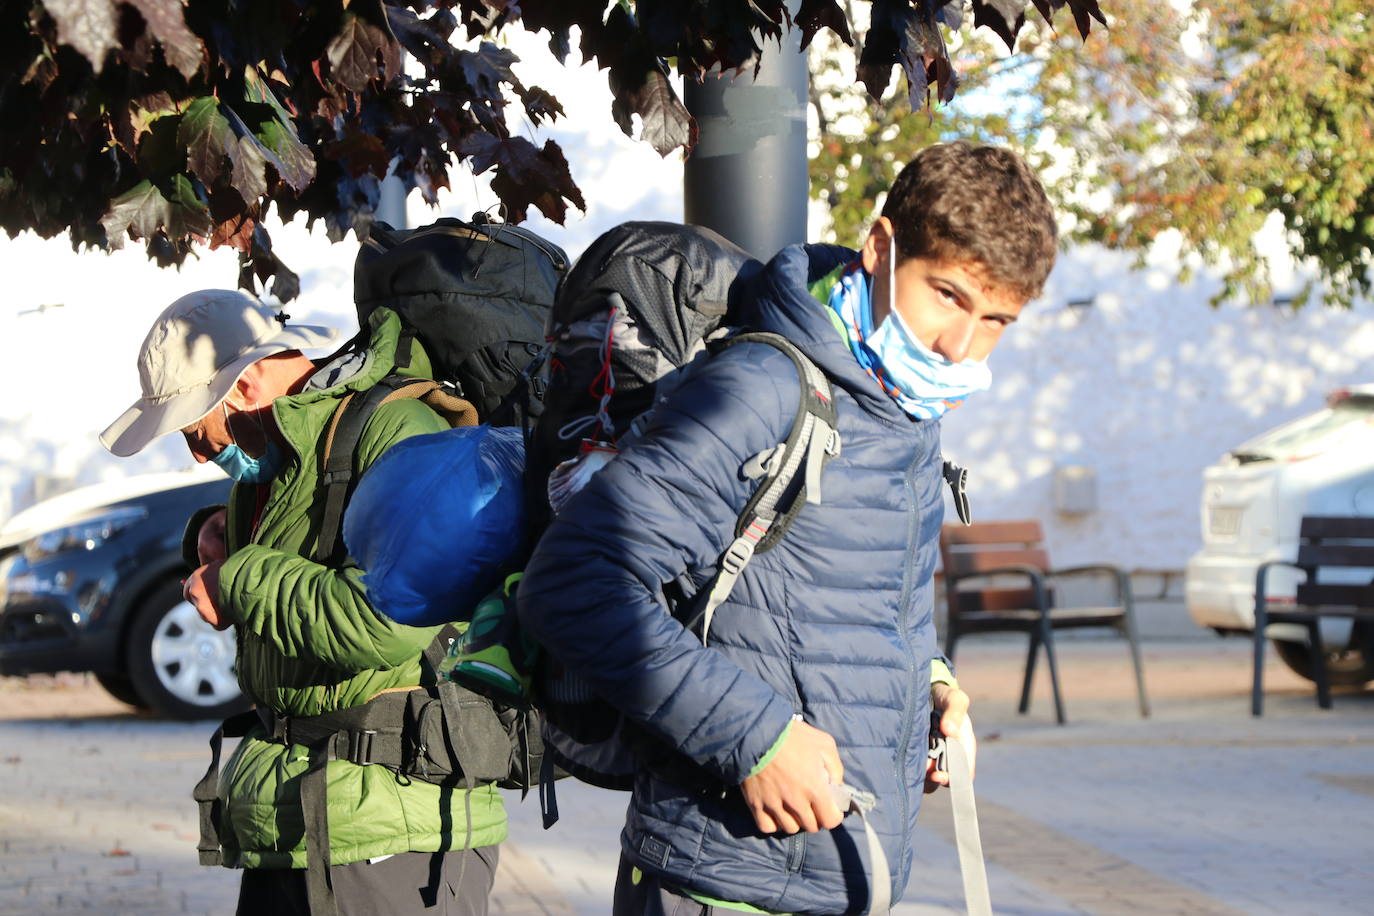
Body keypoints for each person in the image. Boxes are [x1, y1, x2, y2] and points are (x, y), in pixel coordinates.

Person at [517, 141, 1057, 914]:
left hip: (839, 877)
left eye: (996, 320)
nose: (960, 346)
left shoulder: (905, 411)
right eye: (947, 296)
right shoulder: (762, 387)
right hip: (720, 883)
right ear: (879, 248)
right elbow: (574, 585)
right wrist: (756, 738)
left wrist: (927, 684)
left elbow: (848, 598)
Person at [99, 289, 506, 916]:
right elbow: (309, 550)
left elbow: (388, 616)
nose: (200, 454)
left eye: (194, 430)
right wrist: (215, 534)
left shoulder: (394, 431)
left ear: (247, 383)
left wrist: (237, 578)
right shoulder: (281, 456)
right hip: (304, 811)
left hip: (396, 831)